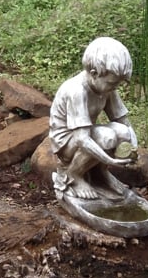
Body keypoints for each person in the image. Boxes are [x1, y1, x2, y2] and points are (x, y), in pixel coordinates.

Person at [48, 37, 137, 201]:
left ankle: (100, 172)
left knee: (123, 132)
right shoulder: (76, 91)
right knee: (107, 136)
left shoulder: (107, 89)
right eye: (111, 83)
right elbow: (82, 139)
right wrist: (110, 159)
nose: (115, 87)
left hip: (85, 134)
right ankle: (74, 175)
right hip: (67, 141)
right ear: (94, 74)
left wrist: (134, 146)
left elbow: (123, 121)